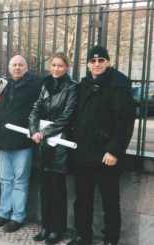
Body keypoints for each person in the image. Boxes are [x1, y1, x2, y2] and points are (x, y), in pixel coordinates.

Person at [67, 46, 135, 245]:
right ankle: (82, 236)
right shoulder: (85, 84)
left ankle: (110, 240)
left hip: (107, 153)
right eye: (93, 61)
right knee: (82, 199)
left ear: (108, 62)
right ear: (88, 64)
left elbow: (125, 121)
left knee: (110, 201)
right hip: (84, 151)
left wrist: (114, 150)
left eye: (101, 61)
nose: (97, 64)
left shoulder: (119, 84)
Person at [0, 55, 42, 233]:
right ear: (9, 68)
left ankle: (18, 216)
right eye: (14, 65)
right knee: (5, 180)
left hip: (23, 140)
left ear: (26, 67)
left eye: (20, 65)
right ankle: (4, 213)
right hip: (4, 140)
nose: (17, 68)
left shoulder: (34, 85)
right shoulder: (5, 85)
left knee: (20, 181)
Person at [29, 53, 78, 244]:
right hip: (43, 143)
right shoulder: (45, 85)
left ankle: (57, 229)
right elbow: (35, 109)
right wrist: (34, 130)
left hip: (60, 144)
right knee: (44, 188)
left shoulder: (72, 87)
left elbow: (67, 116)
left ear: (66, 67)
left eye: (60, 65)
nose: (56, 68)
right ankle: (45, 226)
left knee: (58, 189)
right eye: (54, 65)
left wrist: (45, 132)